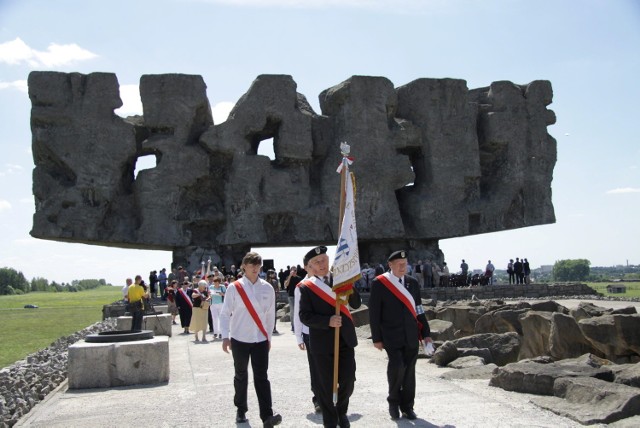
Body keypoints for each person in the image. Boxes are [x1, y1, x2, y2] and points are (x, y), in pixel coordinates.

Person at [299, 246, 361, 428]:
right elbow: (305, 316)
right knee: (325, 386)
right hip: (323, 343)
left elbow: (356, 304)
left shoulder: (340, 280)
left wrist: (350, 284)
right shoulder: (307, 287)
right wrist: (327, 321)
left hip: (345, 339)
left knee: (348, 381)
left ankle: (341, 411)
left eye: (324, 260)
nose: (322, 264)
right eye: (317, 262)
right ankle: (330, 421)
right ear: (310, 266)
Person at [220, 252, 282, 428]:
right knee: (241, 375)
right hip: (239, 338)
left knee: (262, 377)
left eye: (257, 264)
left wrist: (268, 337)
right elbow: (225, 314)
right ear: (244, 267)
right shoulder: (234, 287)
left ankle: (267, 416)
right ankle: (241, 409)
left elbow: (270, 316)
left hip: (260, 339)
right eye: (251, 264)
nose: (255, 267)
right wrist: (225, 336)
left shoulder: (267, 288)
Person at [368, 250, 432, 421]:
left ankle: (408, 407)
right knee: (397, 367)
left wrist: (426, 333)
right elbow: (374, 313)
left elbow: (419, 309)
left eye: (405, 264)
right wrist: (377, 338)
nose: (403, 267)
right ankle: (393, 401)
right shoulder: (380, 283)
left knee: (410, 371)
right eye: (399, 264)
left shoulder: (412, 283)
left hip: (411, 334)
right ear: (390, 265)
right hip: (391, 336)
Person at [293, 253, 321, 414]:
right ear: (305, 267)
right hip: (309, 332)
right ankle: (317, 399)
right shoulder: (302, 286)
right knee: (316, 367)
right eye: (311, 265)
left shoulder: (326, 283)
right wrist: (298, 336)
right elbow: (297, 313)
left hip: (327, 331)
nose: (315, 267)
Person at [284, 266, 302, 332]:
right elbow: (286, 285)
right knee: (292, 311)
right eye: (293, 270)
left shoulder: (299, 278)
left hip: (298, 296)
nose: (294, 272)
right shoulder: (288, 278)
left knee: (298, 311)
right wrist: (290, 276)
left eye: (295, 270)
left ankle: (298, 325)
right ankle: (293, 325)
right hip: (291, 296)